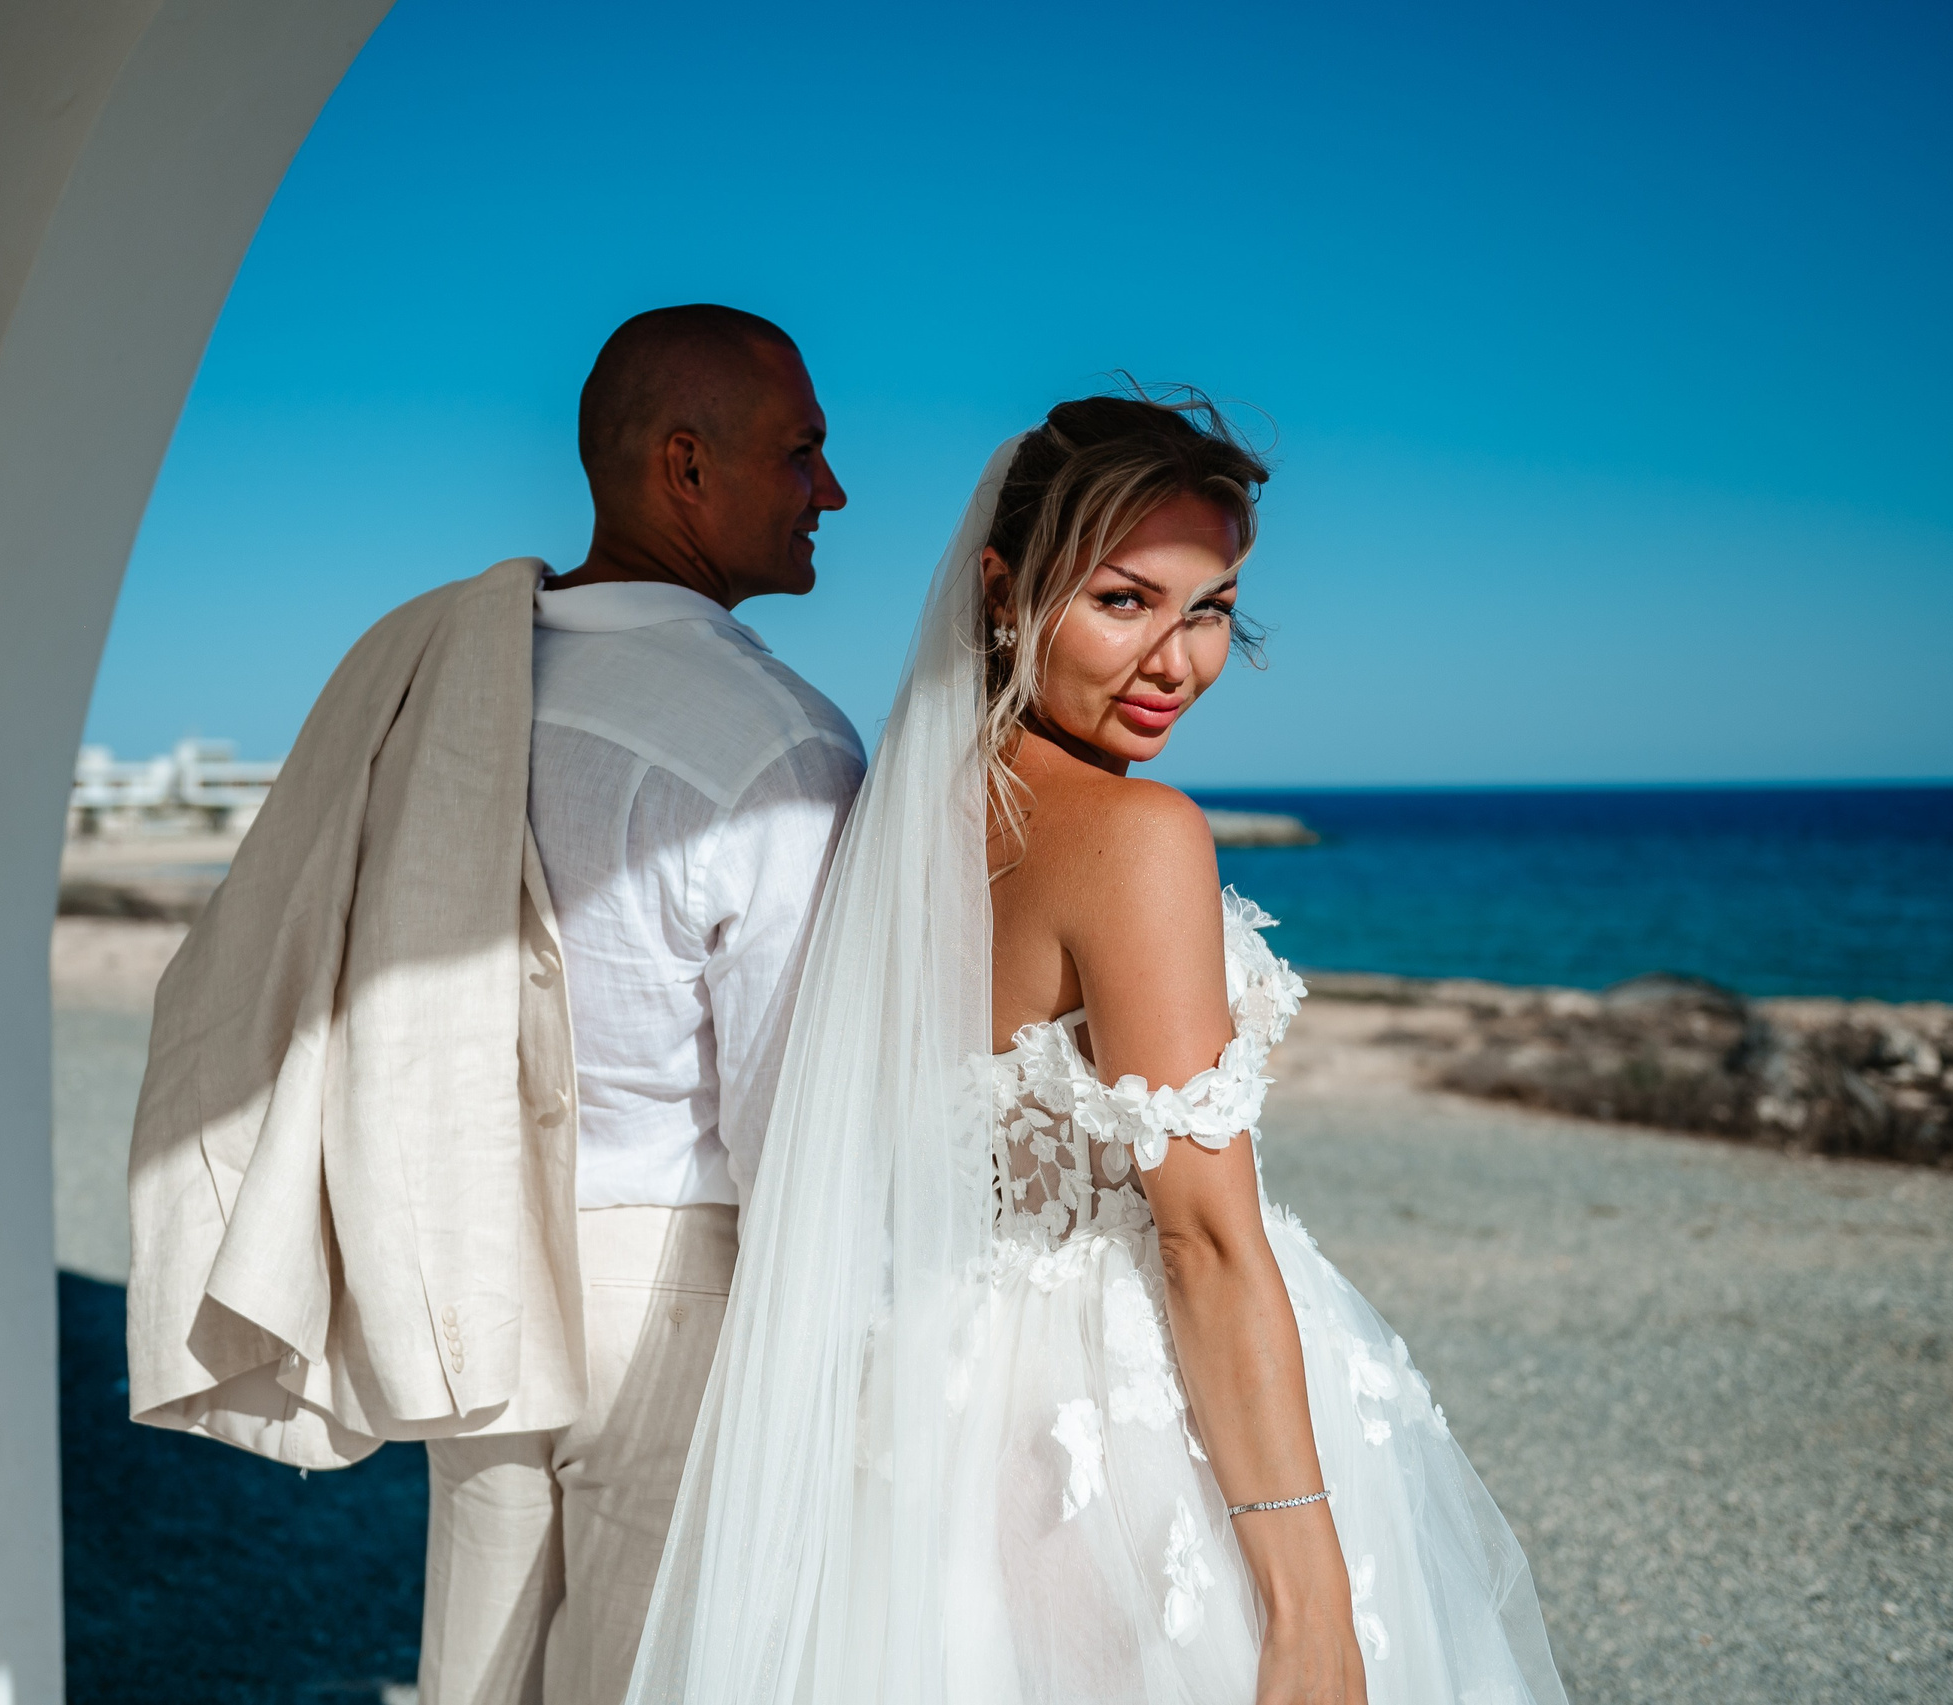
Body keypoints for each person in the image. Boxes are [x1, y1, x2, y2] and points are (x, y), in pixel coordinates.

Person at [626, 394, 1569, 1703]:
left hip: (947, 1415)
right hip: (1132, 1432)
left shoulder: (903, 825)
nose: (1174, 661)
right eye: (1126, 601)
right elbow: (1205, 1240)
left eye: (1210, 608)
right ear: (1002, 594)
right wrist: (1309, 1601)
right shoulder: (1138, 837)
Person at [124, 305, 860, 1705]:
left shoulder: (441, 679)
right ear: (686, 466)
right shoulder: (777, 741)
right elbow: (790, 1110)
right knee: (654, 1678)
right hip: (680, 1278)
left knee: (476, 1674)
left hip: (469, 1246)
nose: (831, 490)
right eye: (803, 450)